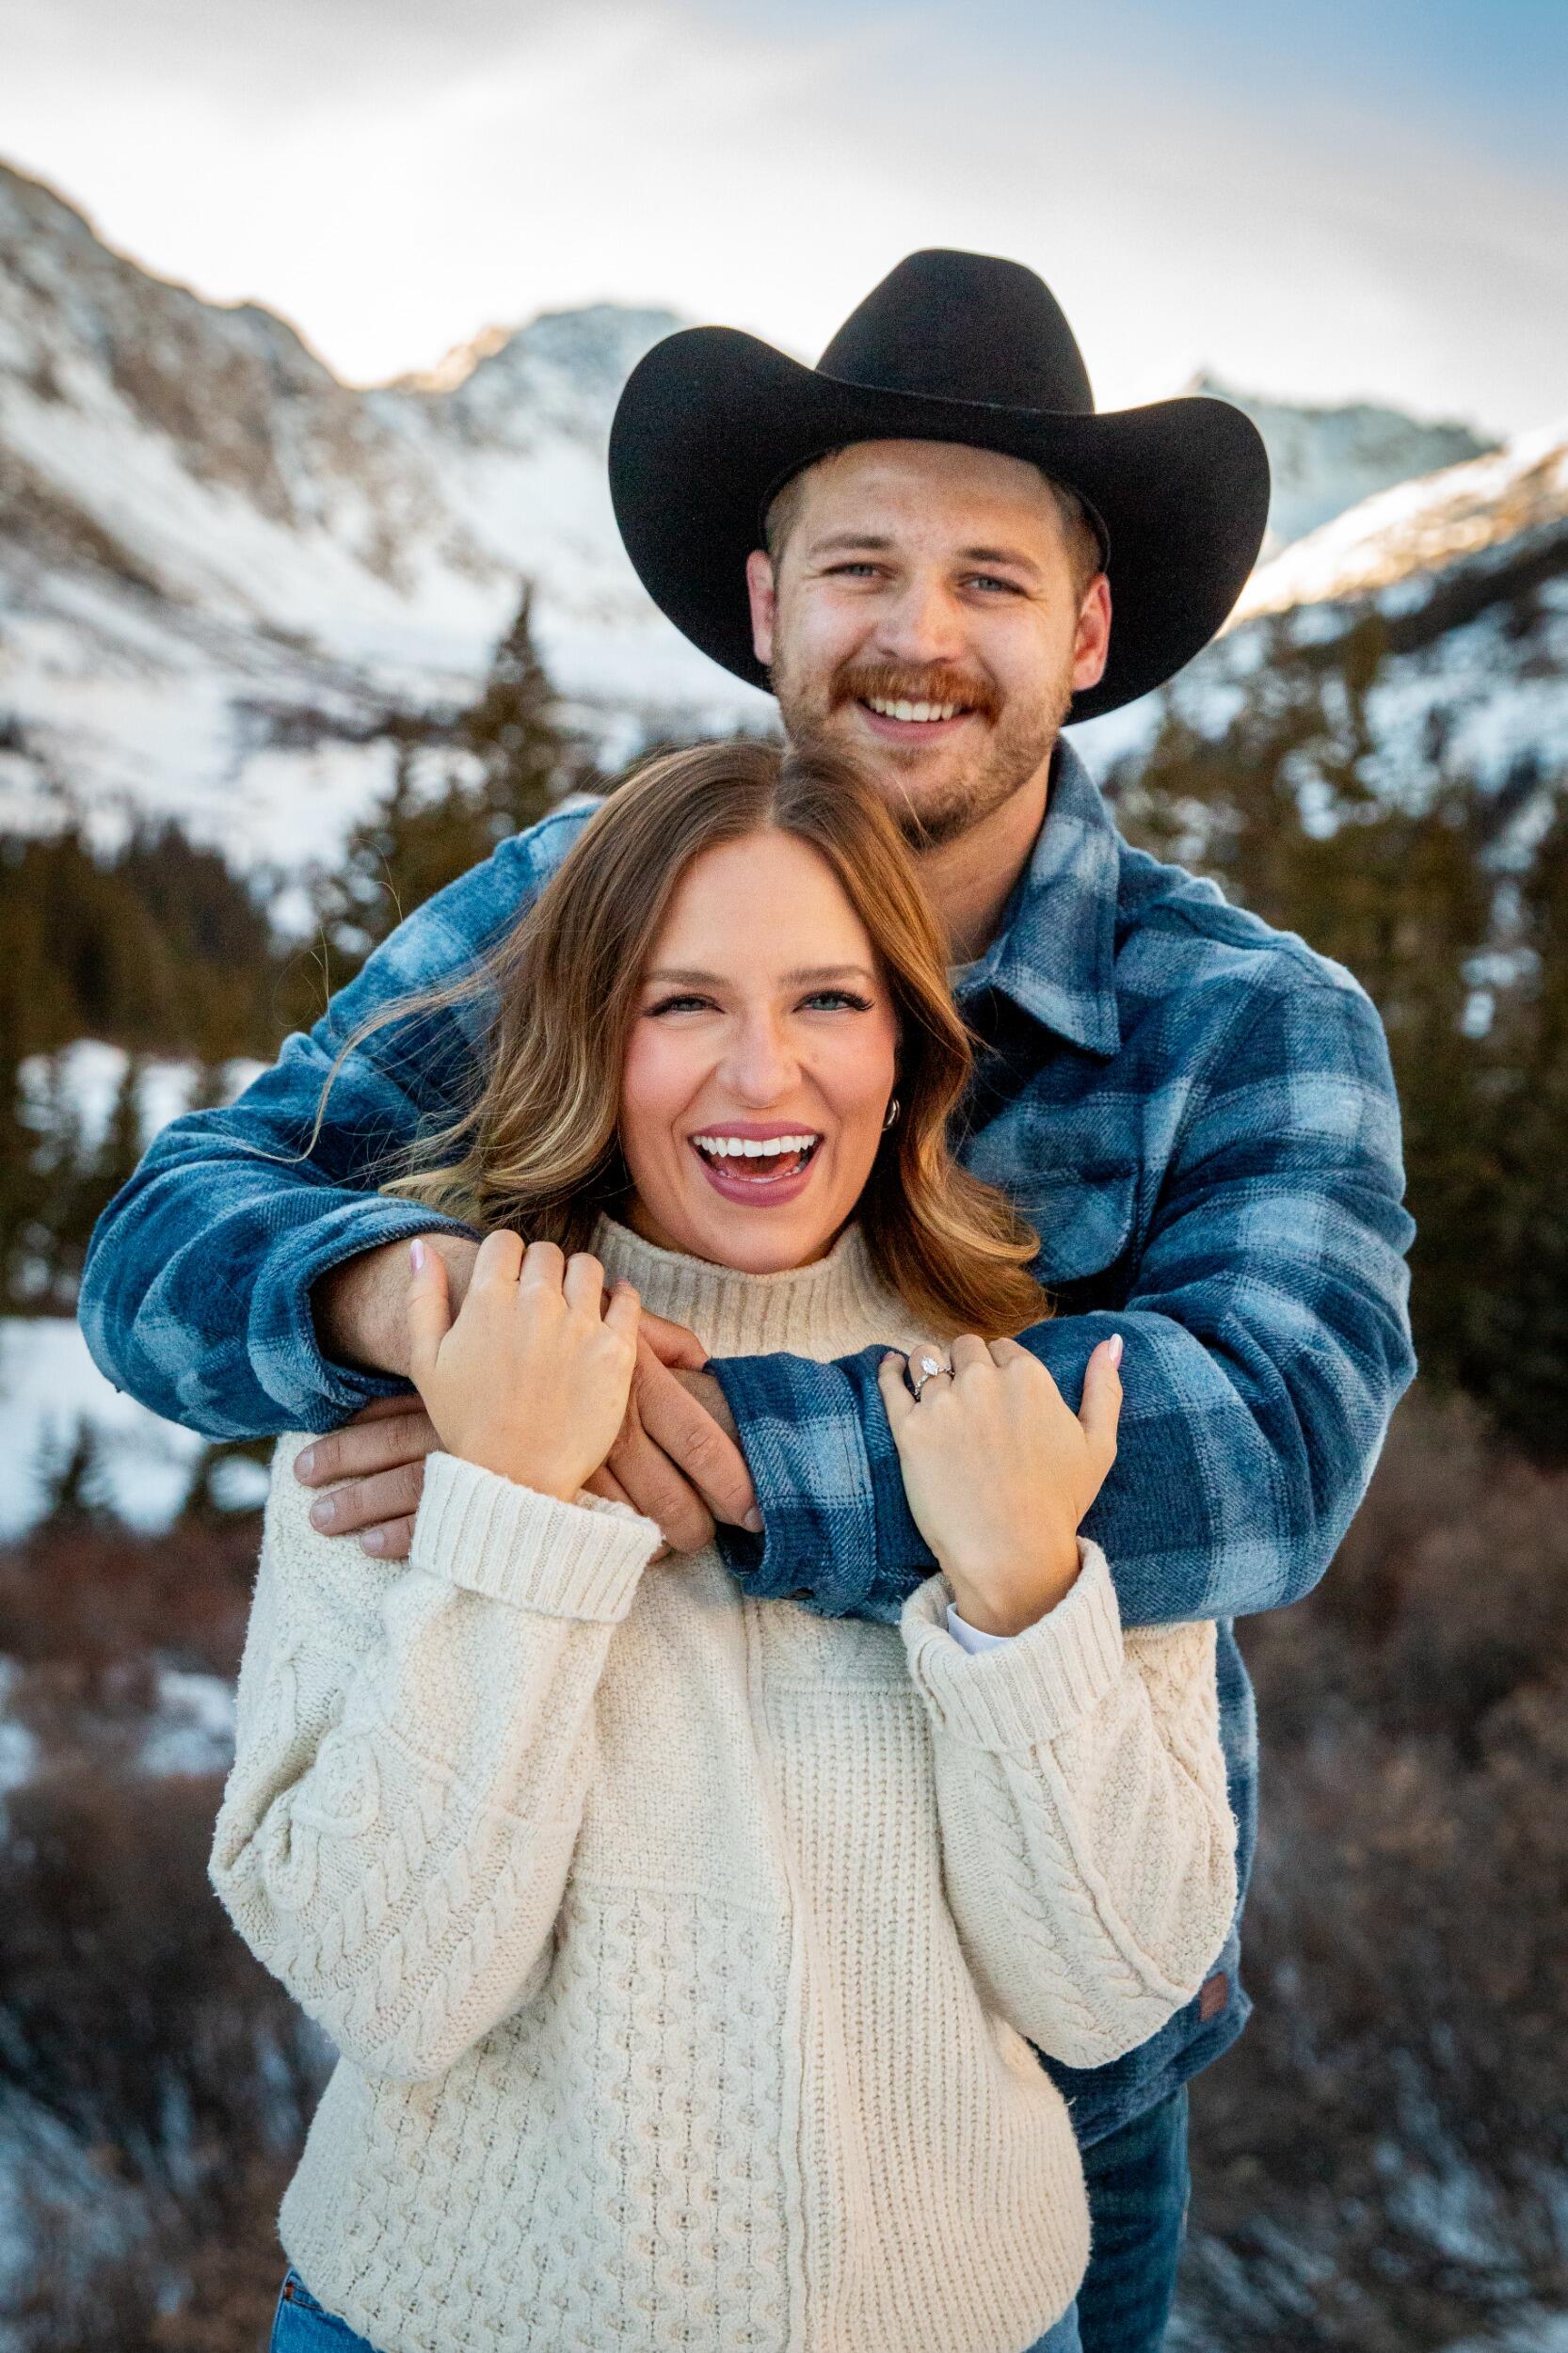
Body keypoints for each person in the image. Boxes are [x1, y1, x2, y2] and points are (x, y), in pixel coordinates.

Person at [83, 250, 1416, 2352]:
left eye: (988, 579)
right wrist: (421, 1301)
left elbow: (1259, 1447)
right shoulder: (570, 906)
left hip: (1045, 2039)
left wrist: (621, 1426)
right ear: (766, 601)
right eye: (859, 566)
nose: (916, 635)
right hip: (558, 2072)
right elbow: (173, 1236)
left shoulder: (1243, 1015)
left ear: (1081, 631)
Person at [212, 741, 1238, 2353]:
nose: (760, 1077)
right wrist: (513, 1517)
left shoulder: (1030, 1395)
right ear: (586, 1042)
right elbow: (390, 1987)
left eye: (828, 1001)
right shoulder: (431, 1374)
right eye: (678, 1005)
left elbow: (1110, 1991)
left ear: (907, 1043)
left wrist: (1021, 1599)